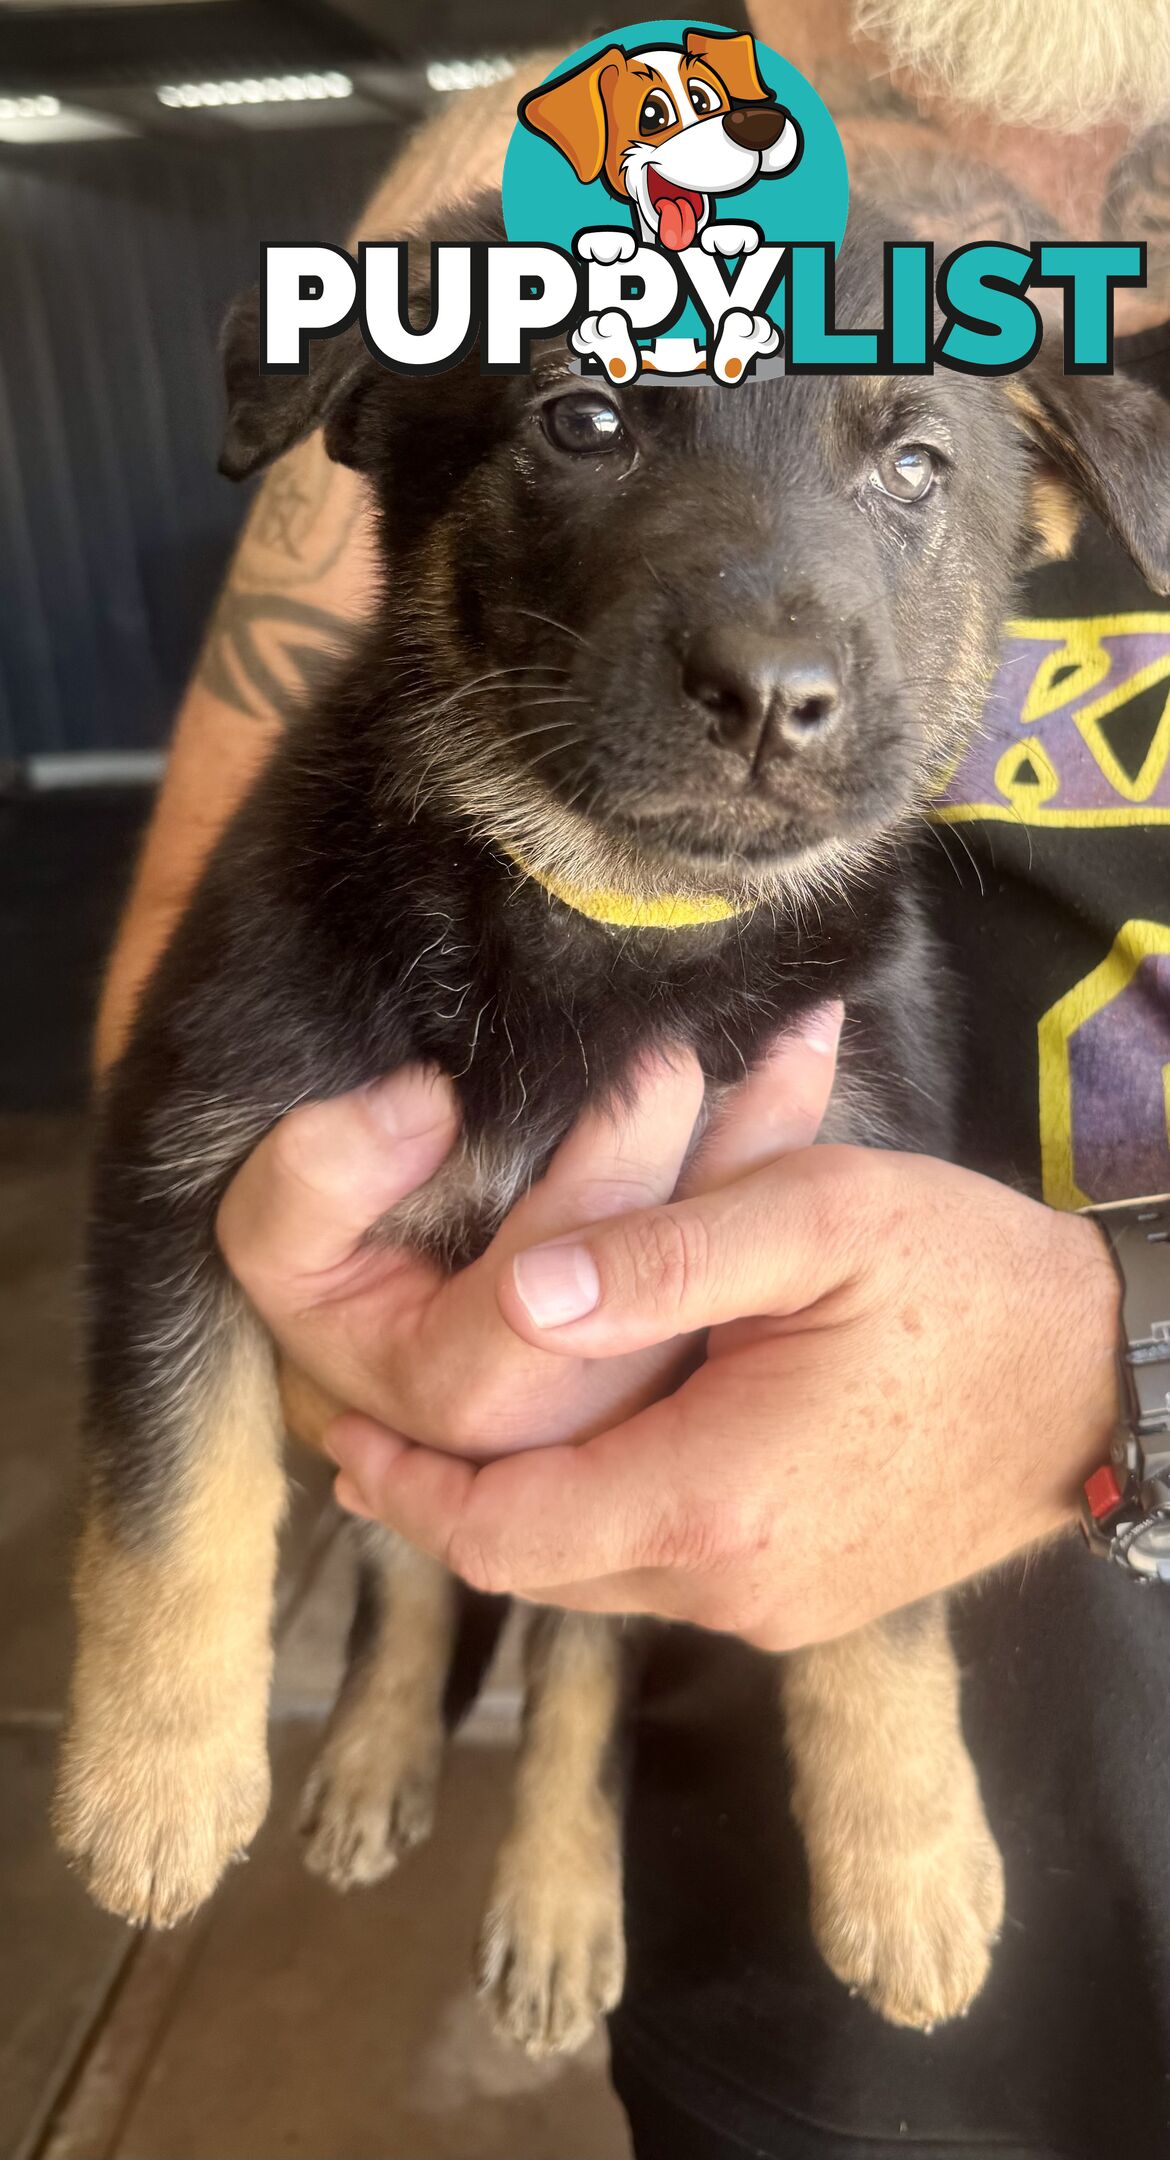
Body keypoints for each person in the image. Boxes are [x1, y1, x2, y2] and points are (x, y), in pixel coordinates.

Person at [96, 2, 1170, 2152]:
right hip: (763, 1789)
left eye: (912, 459)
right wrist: (370, 1397)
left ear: (1040, 498)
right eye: (600, 412)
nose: (780, 656)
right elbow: (192, 1106)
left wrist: (1111, 1371)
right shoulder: (529, 179)